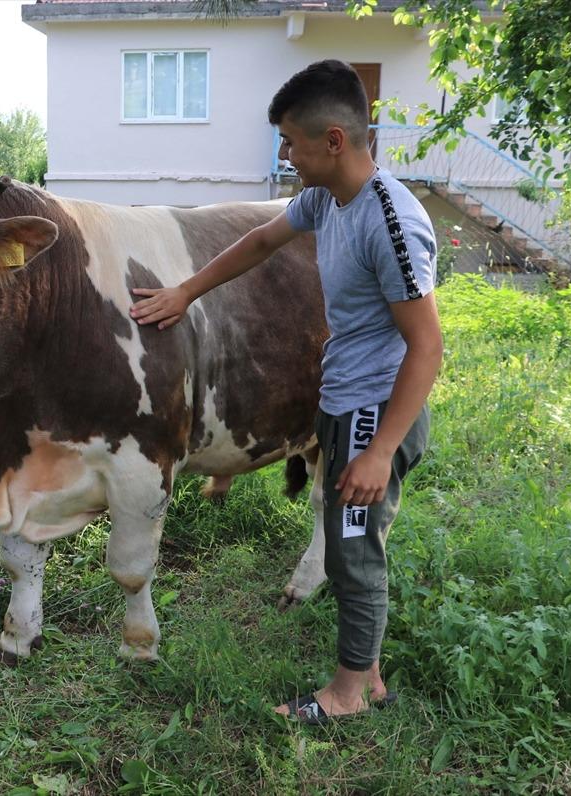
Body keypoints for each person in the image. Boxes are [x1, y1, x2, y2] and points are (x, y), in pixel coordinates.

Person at [130, 60, 443, 724]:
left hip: (374, 411)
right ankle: (371, 672)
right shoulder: (327, 199)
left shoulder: (393, 223)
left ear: (333, 140)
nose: (284, 154)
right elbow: (261, 240)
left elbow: (427, 346)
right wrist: (184, 291)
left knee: (353, 550)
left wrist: (381, 449)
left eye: (291, 142)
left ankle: (349, 695)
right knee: (349, 537)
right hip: (342, 399)